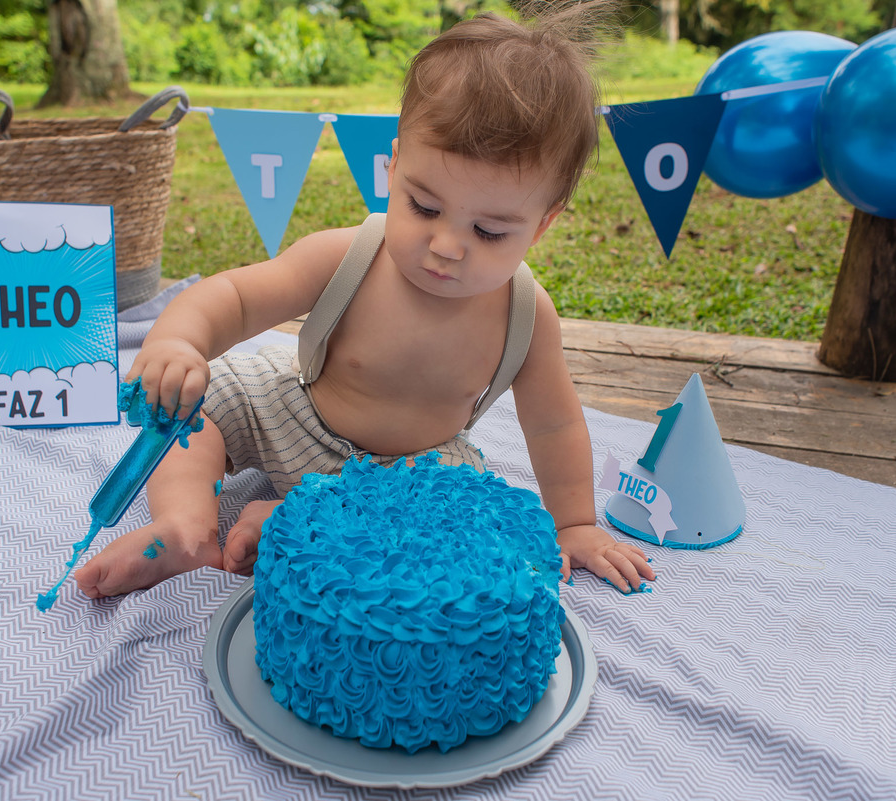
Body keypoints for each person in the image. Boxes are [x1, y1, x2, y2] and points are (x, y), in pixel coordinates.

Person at [75, 2, 656, 600]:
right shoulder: (349, 256)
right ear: (394, 165)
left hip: (410, 472)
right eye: (424, 207)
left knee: (462, 513)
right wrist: (180, 340)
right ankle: (184, 524)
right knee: (209, 400)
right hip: (296, 416)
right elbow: (238, 296)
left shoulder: (527, 317)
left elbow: (555, 423)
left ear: (540, 226)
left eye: (489, 232)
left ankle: (299, 518)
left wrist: (575, 525)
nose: (447, 245)